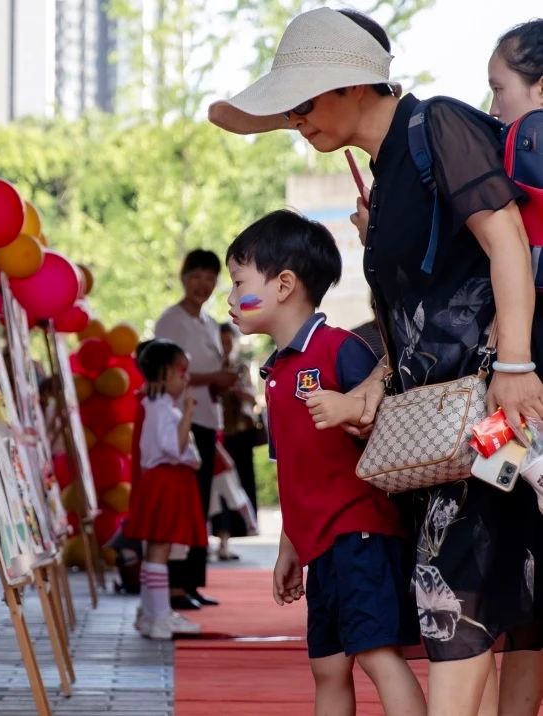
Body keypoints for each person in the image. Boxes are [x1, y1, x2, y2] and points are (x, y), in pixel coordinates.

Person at [211, 9, 543, 714]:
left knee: (458, 597)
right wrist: (375, 382)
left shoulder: (437, 125)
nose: (296, 120)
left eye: (303, 102)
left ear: (351, 84)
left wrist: (515, 367)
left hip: (490, 411)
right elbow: (411, 315)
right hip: (442, 429)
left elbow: (507, 241)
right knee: (494, 600)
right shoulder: (383, 174)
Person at [226, 209, 425, 715]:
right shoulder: (276, 375)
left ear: (284, 284)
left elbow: (389, 430)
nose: (230, 299)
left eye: (239, 283)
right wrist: (289, 548)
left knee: (378, 655)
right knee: (328, 667)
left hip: (362, 536)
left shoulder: (341, 350)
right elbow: (294, 470)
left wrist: (354, 412)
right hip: (321, 547)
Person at [154, 249, 236, 610]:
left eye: (210, 278)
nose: (203, 284)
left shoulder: (210, 322)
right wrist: (213, 377)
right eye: (197, 276)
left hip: (207, 419)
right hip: (180, 423)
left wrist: (221, 381)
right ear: (183, 278)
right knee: (183, 505)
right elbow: (165, 374)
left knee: (201, 505)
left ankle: (192, 582)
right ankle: (175, 584)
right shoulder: (170, 321)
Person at [125, 339, 206, 640]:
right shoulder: (161, 407)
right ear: (165, 373)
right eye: (182, 371)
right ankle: (158, 617)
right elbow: (174, 447)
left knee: (155, 550)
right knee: (160, 549)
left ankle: (151, 613)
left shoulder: (154, 405)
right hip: (166, 480)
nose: (186, 378)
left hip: (161, 481)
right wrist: (188, 414)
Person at [213, 321, 260, 559]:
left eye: (228, 340)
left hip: (240, 434)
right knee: (220, 490)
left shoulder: (241, 367)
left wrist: (238, 391)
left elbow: (252, 396)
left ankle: (229, 539)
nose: (225, 345)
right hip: (218, 435)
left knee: (239, 486)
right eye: (221, 340)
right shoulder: (210, 368)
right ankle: (220, 540)